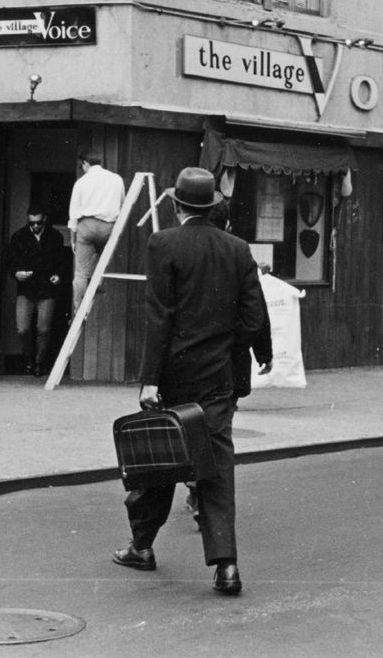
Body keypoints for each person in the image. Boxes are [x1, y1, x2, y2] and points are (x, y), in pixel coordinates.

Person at [112, 167, 271, 597]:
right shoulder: (239, 249)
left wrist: (149, 379)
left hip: (174, 377)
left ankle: (142, 547)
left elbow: (159, 317)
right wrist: (227, 347)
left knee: (162, 460)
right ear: (213, 206)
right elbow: (254, 318)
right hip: (219, 379)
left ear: (177, 205)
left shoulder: (163, 243)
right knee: (216, 469)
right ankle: (227, 568)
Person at [5, 207, 68, 376]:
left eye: (38, 222)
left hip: (47, 290)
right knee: (23, 329)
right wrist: (16, 273)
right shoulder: (18, 236)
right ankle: (28, 357)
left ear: (45, 219)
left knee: (44, 329)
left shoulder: (55, 236)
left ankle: (39, 363)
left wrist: (58, 275)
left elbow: (62, 262)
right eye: (31, 223)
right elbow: (10, 262)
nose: (35, 226)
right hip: (26, 290)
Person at [68, 150, 125, 311]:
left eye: (82, 166)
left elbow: (73, 214)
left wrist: (73, 239)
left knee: (80, 272)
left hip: (87, 226)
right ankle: (97, 284)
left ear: (86, 163)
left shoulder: (81, 182)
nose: (82, 168)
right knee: (101, 257)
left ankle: (79, 308)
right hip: (109, 227)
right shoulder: (116, 179)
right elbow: (123, 204)